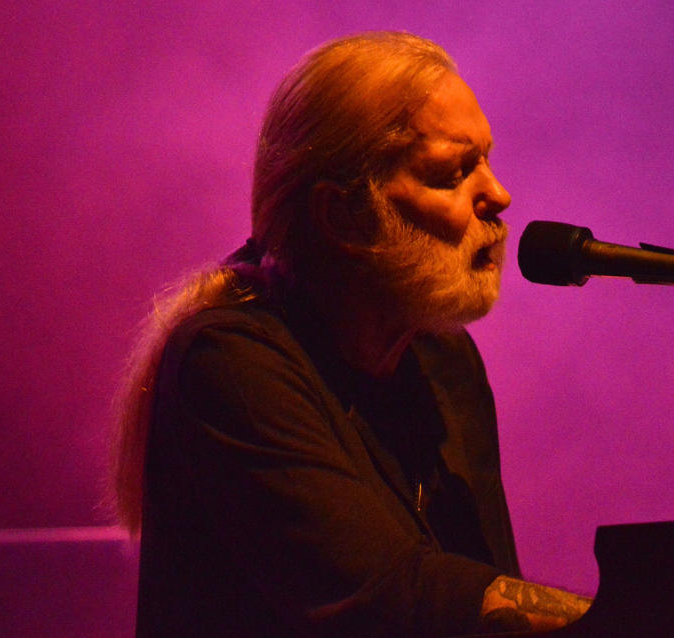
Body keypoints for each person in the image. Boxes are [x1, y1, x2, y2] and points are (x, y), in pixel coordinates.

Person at [110, 31, 592, 637]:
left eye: (487, 161)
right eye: (452, 173)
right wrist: (624, 622)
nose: (498, 194)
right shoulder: (229, 362)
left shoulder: (443, 359)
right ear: (341, 215)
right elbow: (388, 598)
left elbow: (486, 576)